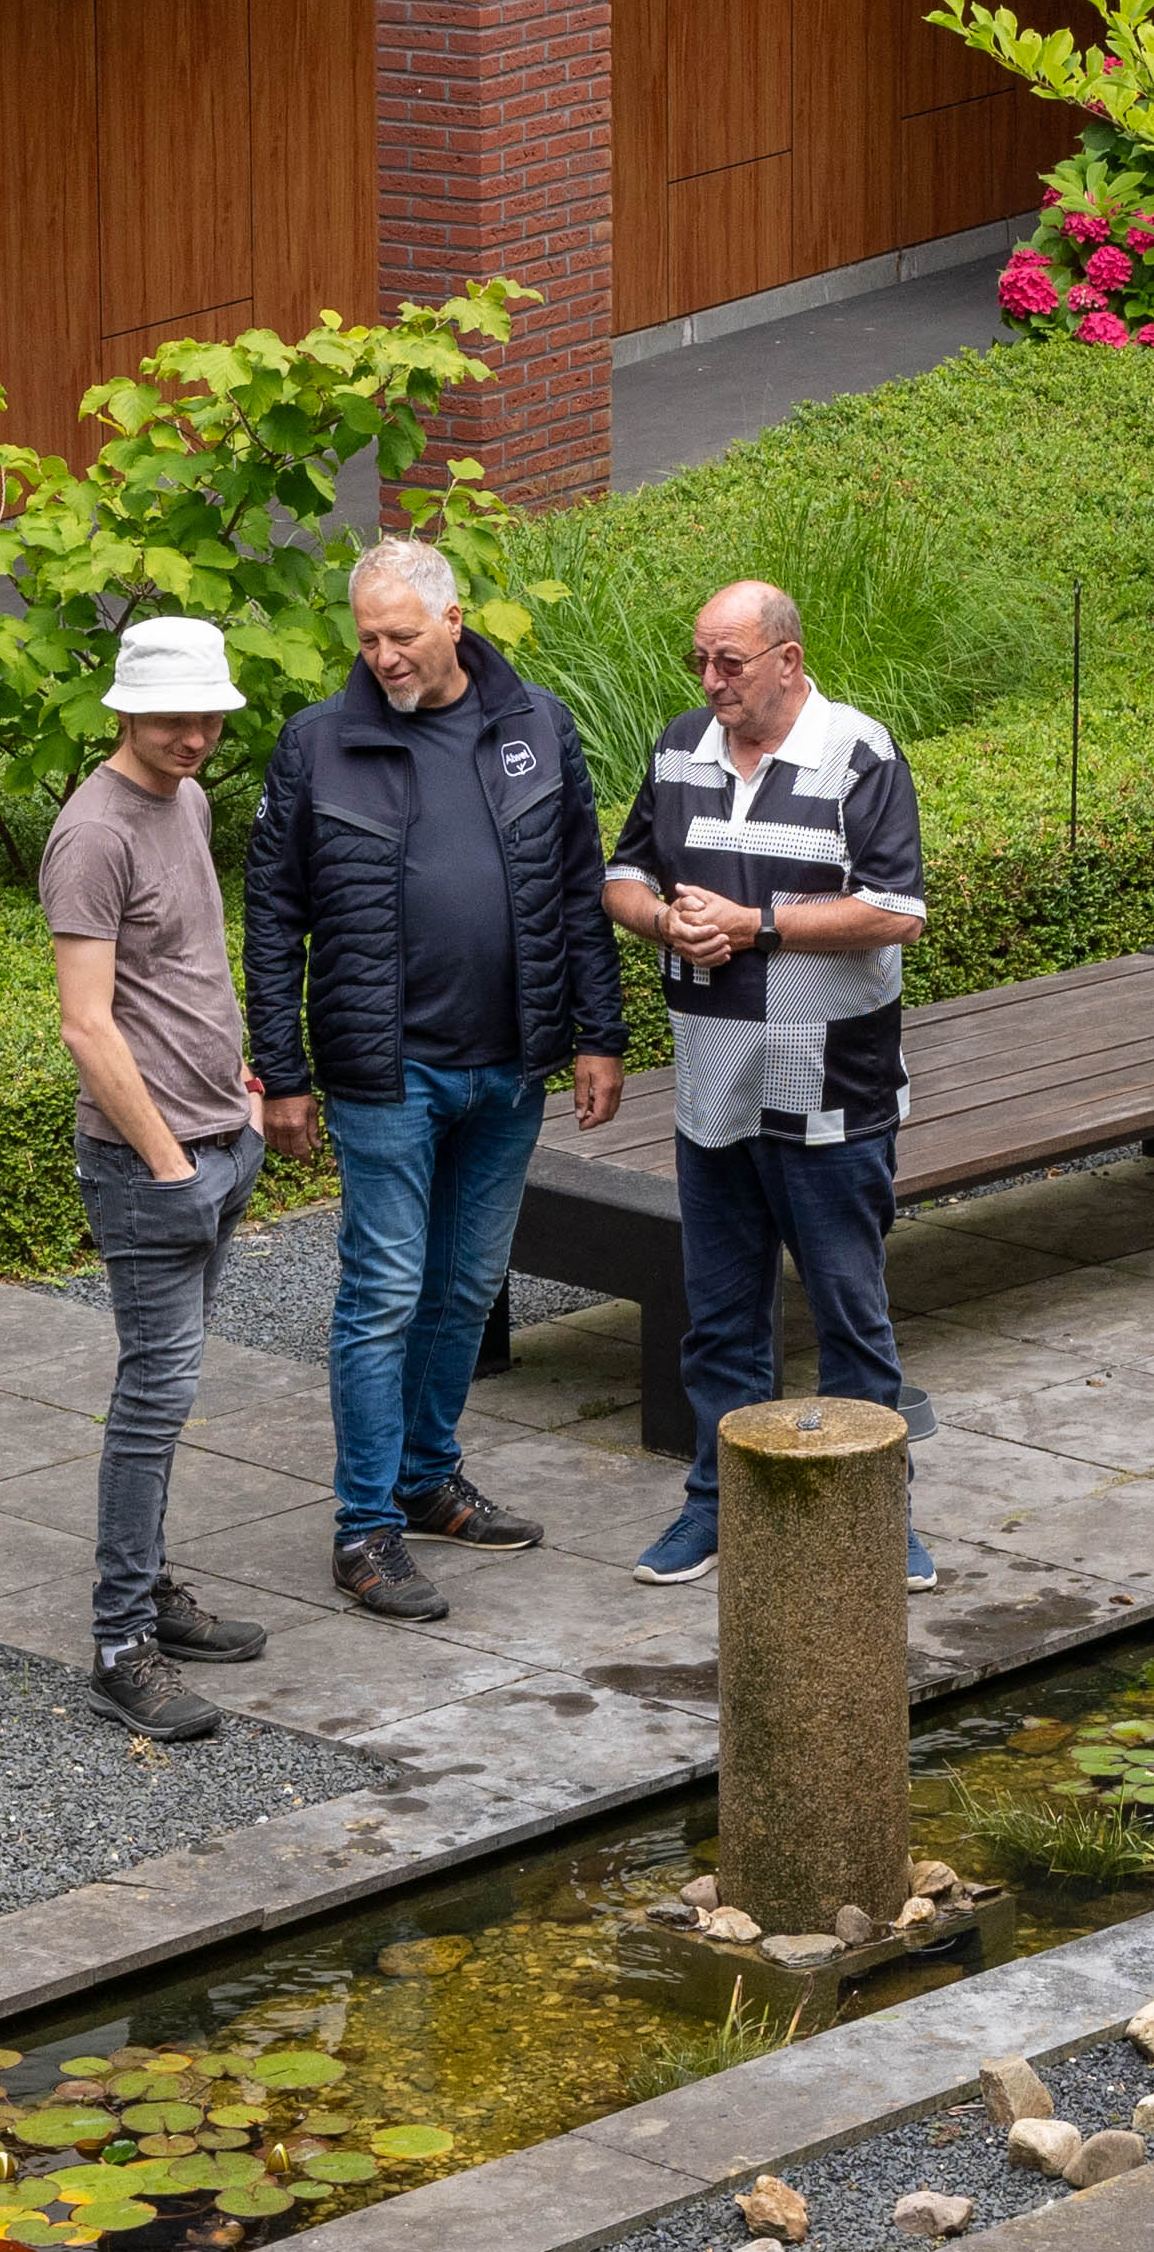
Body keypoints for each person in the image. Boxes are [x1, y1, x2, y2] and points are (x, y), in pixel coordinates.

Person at [247, 537, 624, 1625]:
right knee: (382, 1294)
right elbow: (274, 920)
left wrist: (598, 1036)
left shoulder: (535, 727)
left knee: (466, 1286)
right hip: (384, 1073)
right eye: (365, 639)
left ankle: (425, 1475)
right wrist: (283, 1070)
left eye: (401, 636)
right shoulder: (317, 745)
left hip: (509, 1066)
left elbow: (575, 889)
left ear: (455, 621)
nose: (382, 657)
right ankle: (363, 1529)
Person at [599, 578, 936, 1590]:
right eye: (699, 661)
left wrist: (758, 927)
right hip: (713, 1096)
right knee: (721, 1320)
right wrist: (664, 922)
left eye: (729, 663)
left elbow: (897, 909)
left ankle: (876, 1519)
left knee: (850, 1317)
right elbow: (619, 876)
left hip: (833, 1092)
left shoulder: (859, 753)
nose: (710, 682)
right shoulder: (676, 749)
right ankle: (717, 1508)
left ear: (787, 660)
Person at [45, 612, 309, 1741]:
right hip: (152, 1166)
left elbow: (190, 962)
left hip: (221, 1138)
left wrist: (239, 1085)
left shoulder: (188, 800)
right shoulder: (91, 833)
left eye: (208, 716)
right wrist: (165, 1162)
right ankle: (119, 1644)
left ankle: (151, 1592)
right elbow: (86, 1026)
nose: (195, 735)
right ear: (123, 710)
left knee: (171, 1391)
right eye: (172, 717)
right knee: (152, 1400)